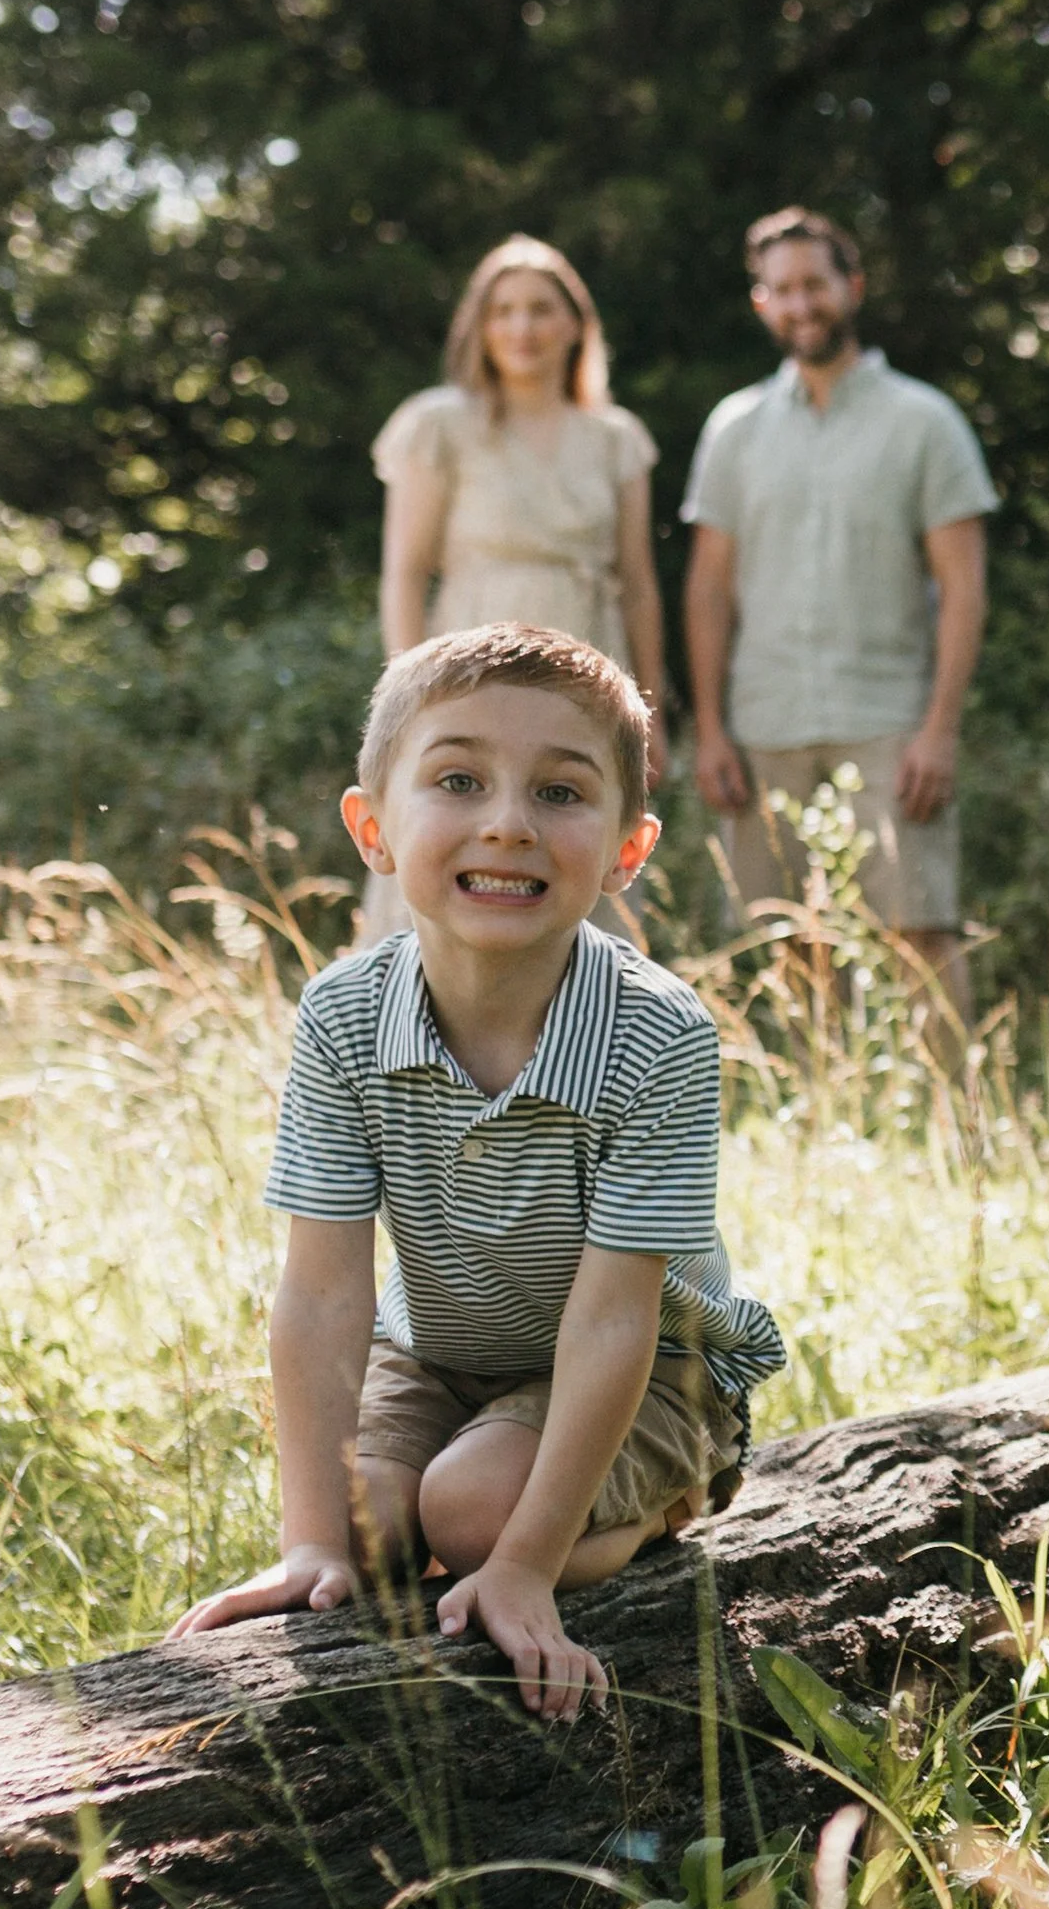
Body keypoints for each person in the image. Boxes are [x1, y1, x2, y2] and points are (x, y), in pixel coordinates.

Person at [171, 623, 785, 1721]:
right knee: (361, 1535)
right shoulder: (346, 1016)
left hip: (649, 1367)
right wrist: (307, 1543)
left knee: (467, 1520)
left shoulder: (660, 1037)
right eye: (458, 780)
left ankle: (666, 1492)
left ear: (627, 849)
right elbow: (321, 1292)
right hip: (443, 1346)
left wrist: (526, 1568)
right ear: (374, 829)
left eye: (560, 793)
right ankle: (426, 1496)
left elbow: (610, 1322)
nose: (506, 822)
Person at [682, 207, 996, 1026]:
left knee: (918, 935)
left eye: (814, 285)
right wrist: (710, 726)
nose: (800, 305)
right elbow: (709, 587)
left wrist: (941, 728)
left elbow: (963, 587)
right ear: (761, 304)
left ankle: (960, 1132)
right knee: (785, 946)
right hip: (763, 723)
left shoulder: (925, 421)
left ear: (850, 288)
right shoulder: (734, 428)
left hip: (887, 722)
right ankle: (824, 1122)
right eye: (781, 290)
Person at [365, 240, 666, 944]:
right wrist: (407, 699)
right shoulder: (440, 425)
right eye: (504, 311)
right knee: (460, 836)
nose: (522, 328)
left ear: (574, 325)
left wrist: (653, 717)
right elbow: (406, 572)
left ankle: (583, 1040)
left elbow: (640, 586)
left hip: (590, 654)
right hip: (468, 655)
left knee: (573, 834)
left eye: (540, 310)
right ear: (481, 326)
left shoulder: (616, 439)